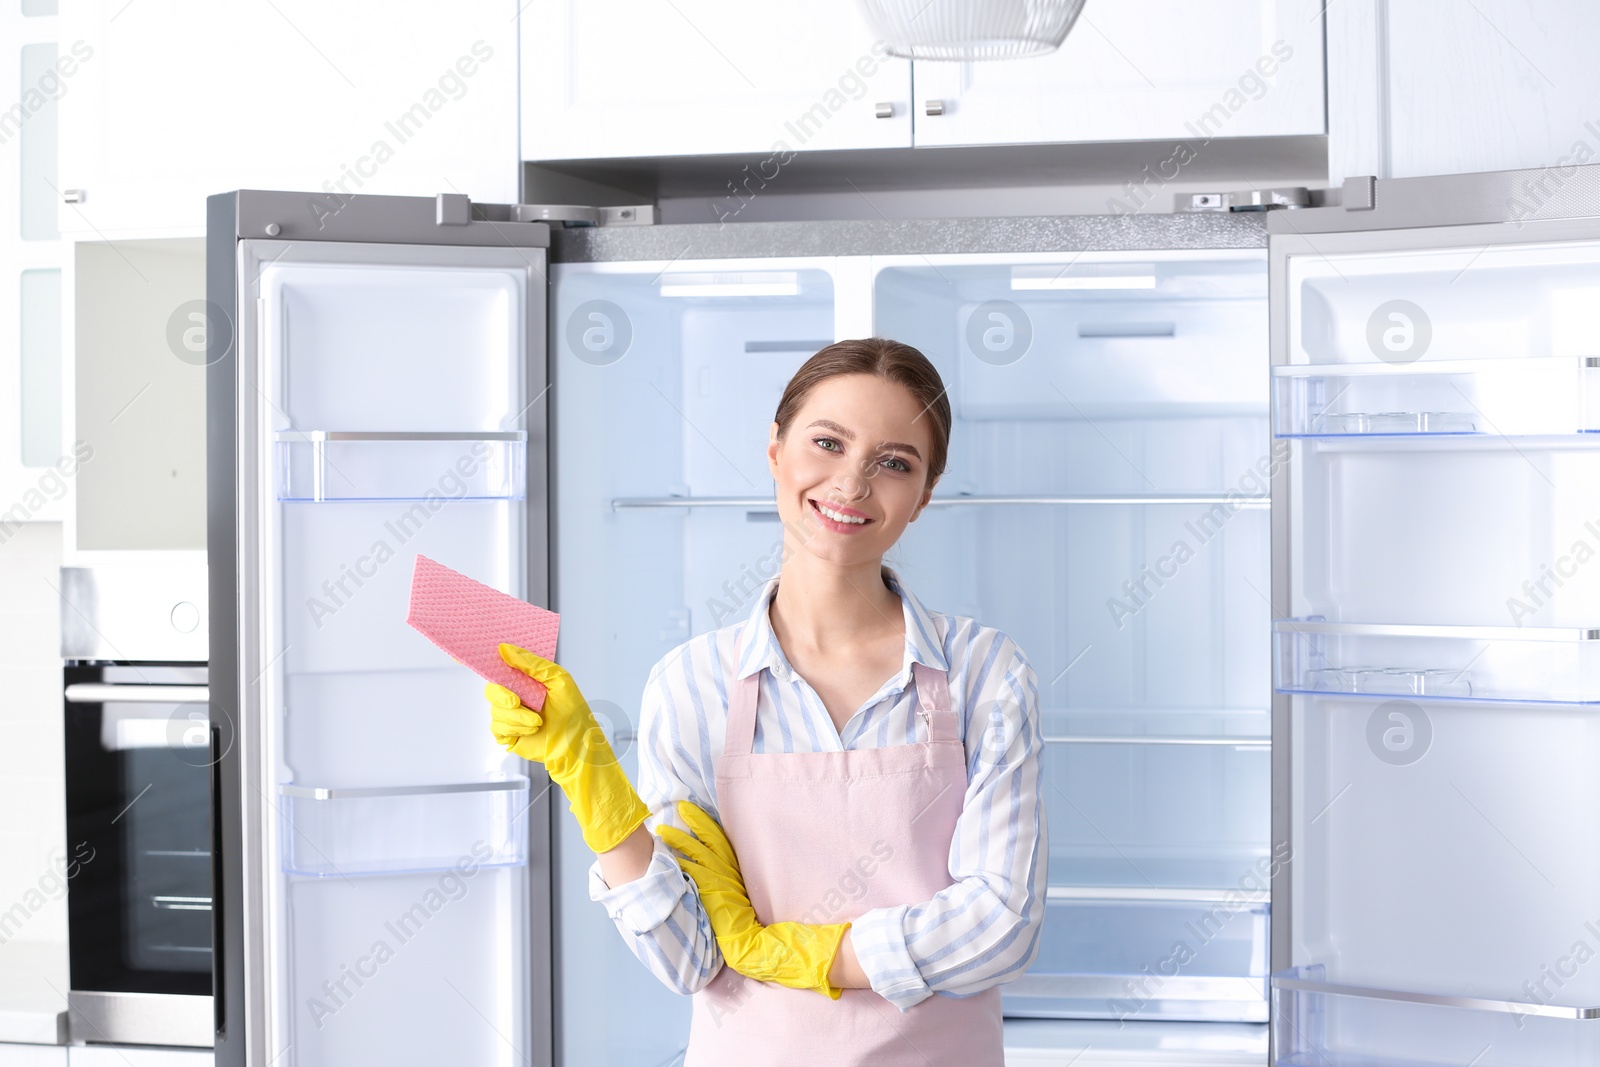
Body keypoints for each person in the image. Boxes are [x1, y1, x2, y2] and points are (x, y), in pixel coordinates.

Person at [486, 338, 1047, 1065]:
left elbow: (1004, 920)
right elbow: (688, 961)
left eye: (894, 462)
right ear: (776, 450)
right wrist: (593, 787)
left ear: (924, 495)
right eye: (827, 442)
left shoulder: (984, 673)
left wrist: (820, 956)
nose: (851, 483)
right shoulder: (692, 683)